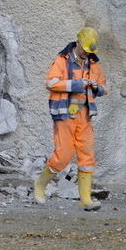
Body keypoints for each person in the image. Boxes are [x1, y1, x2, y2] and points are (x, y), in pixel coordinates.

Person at [33, 26, 108, 211]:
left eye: (90, 51)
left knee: (87, 155)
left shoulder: (94, 65)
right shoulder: (62, 60)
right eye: (85, 49)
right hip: (65, 113)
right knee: (63, 155)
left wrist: (95, 86)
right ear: (78, 43)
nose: (87, 54)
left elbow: (105, 88)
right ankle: (40, 185)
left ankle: (86, 200)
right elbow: (51, 83)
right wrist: (75, 84)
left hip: (85, 114)